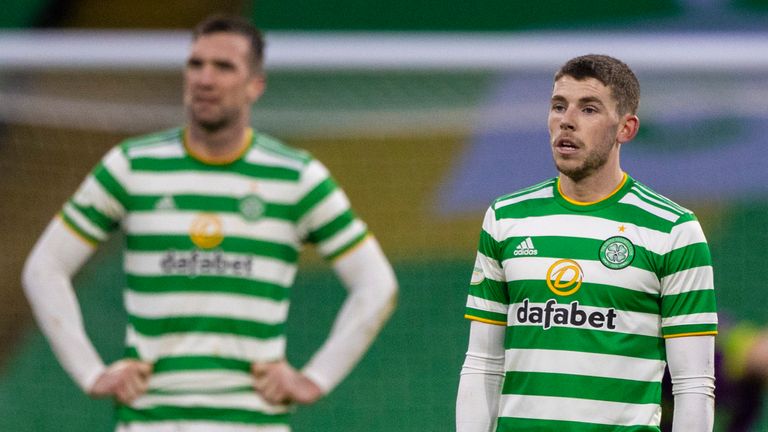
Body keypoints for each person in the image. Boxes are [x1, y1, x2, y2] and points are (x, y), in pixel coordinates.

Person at [22, 14, 398, 432]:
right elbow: (43, 268)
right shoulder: (131, 167)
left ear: (256, 85)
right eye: (195, 64)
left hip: (253, 423)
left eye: (224, 67)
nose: (204, 78)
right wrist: (90, 373)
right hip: (151, 422)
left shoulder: (296, 178)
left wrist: (316, 378)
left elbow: (377, 284)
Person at [455, 54, 717, 432]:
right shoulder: (506, 218)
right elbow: (483, 362)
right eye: (558, 106)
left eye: (589, 108)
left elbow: (693, 385)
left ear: (626, 128)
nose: (567, 120)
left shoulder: (675, 231)